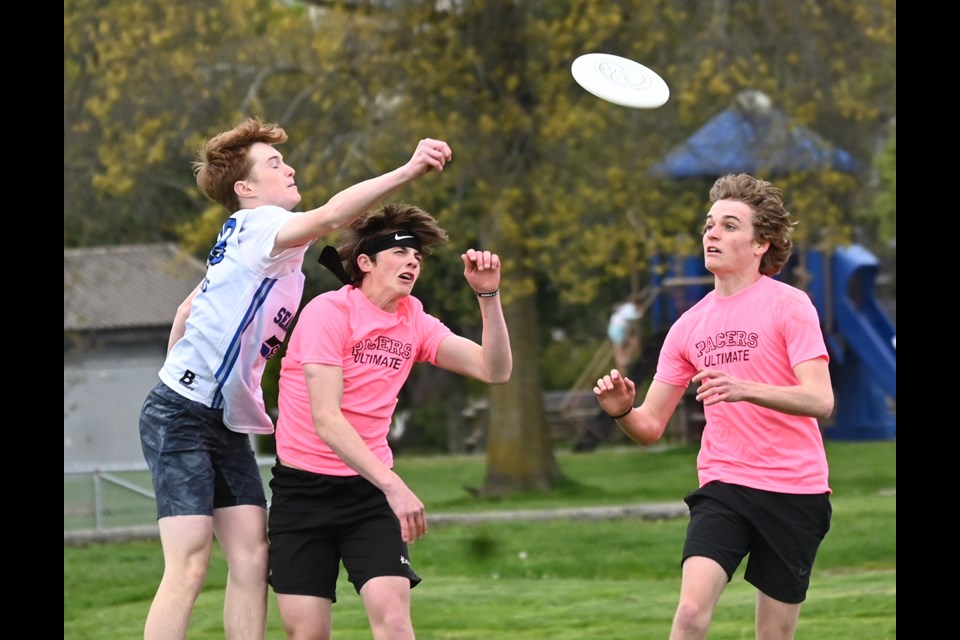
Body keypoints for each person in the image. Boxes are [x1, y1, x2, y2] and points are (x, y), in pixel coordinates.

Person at [138, 117, 452, 640]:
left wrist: (188, 379)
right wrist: (410, 168)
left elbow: (186, 311)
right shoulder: (259, 226)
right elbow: (331, 215)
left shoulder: (264, 249)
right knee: (190, 562)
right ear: (245, 189)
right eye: (274, 164)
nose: (289, 169)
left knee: (253, 557)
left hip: (224, 419)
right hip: (182, 415)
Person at [593, 173, 834, 640]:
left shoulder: (790, 306)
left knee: (775, 635)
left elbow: (819, 399)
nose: (712, 234)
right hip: (725, 484)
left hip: (796, 490)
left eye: (728, 225)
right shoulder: (687, 326)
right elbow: (649, 426)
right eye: (708, 225)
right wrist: (622, 410)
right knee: (689, 614)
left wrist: (746, 388)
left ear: (761, 242)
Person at [268, 203, 512, 640]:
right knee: (306, 634)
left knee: (396, 625)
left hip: (368, 495)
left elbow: (493, 370)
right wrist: (394, 486)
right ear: (365, 263)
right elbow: (327, 419)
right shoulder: (329, 313)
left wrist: (488, 297)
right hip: (303, 493)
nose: (412, 261)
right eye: (400, 253)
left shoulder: (412, 318)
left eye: (417, 257)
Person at [607, 294, 642, 371]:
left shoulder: (625, 306)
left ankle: (624, 362)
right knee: (621, 347)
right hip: (618, 329)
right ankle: (623, 362)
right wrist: (639, 314)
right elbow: (630, 316)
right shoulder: (630, 307)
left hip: (615, 328)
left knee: (624, 346)